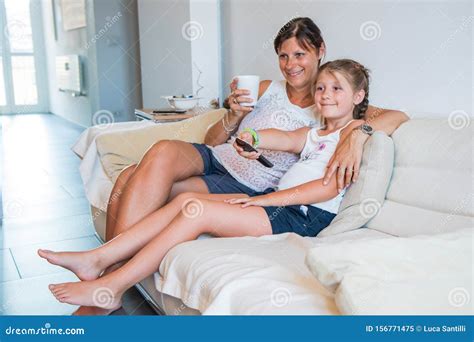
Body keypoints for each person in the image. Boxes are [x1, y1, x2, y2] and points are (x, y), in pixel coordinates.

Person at [80, 17, 408, 315]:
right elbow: (221, 140)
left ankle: (108, 285)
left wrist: (359, 133)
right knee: (142, 165)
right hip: (221, 160)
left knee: (154, 190)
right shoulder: (270, 92)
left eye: (300, 54)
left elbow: (396, 117)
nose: (291, 65)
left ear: (320, 51)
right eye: (284, 55)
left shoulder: (331, 106)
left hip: (254, 187)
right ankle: (108, 276)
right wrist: (235, 118)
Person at [39, 59, 372, 314]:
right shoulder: (315, 133)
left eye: (337, 89)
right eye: (322, 88)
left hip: (301, 216)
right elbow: (283, 138)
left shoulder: (353, 135)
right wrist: (253, 136)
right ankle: (98, 259)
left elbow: (326, 189)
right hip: (278, 206)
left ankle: (112, 286)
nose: (325, 95)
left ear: (358, 96)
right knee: (184, 203)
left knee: (196, 211)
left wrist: (268, 201)